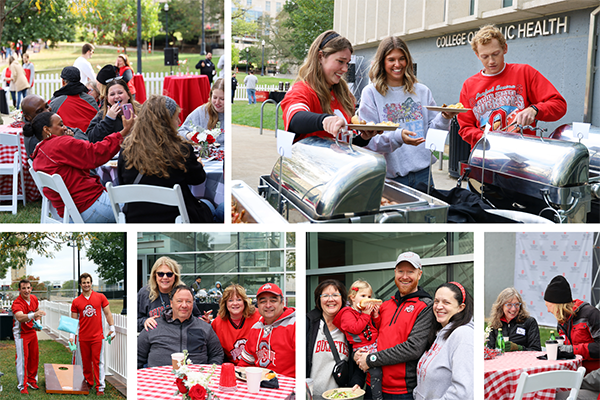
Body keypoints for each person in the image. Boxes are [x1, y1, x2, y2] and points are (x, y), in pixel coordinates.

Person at [358, 36, 458, 189]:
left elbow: (434, 134)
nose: (397, 64)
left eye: (402, 58)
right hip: (389, 177)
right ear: (382, 62)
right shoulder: (371, 93)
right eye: (391, 59)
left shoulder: (422, 91)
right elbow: (369, 141)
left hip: (424, 174)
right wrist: (398, 137)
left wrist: (444, 117)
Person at [458, 24, 567, 147]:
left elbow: (559, 105)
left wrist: (534, 110)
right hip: (486, 155)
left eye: (496, 54)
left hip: (522, 153)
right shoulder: (469, 85)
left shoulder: (525, 72)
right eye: (485, 57)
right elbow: (465, 127)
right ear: (477, 55)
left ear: (505, 49)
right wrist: (485, 138)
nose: (491, 61)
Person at [117, 95, 214, 223]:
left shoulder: (126, 150)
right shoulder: (181, 150)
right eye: (176, 117)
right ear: (166, 122)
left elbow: (123, 183)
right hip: (176, 218)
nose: (179, 121)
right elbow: (197, 179)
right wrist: (198, 166)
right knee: (211, 206)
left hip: (135, 219)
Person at [26, 111, 133, 223]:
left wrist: (71, 140)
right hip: (91, 207)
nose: (65, 127)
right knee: (139, 206)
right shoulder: (60, 143)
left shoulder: (40, 151)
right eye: (60, 125)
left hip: (70, 213)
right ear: (47, 130)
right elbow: (95, 153)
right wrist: (123, 132)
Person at [355, 251, 434, 400]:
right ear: (395, 273)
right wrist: (359, 354)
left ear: (419, 274)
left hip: (402, 392)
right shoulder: (384, 305)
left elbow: (413, 348)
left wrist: (371, 359)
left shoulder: (425, 306)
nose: (405, 276)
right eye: (400, 271)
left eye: (410, 271)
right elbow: (371, 336)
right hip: (372, 384)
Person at [280, 30, 376, 145]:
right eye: (340, 61)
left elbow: (347, 142)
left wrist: (364, 137)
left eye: (347, 63)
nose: (345, 69)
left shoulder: (345, 95)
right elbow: (295, 119)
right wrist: (325, 120)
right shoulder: (302, 90)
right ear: (320, 57)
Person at [137, 285, 224, 368]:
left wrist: (209, 373)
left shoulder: (204, 328)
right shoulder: (154, 326)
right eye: (179, 301)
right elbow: (137, 356)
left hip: (195, 379)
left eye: (188, 301)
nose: (184, 305)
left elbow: (217, 354)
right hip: (158, 379)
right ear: (171, 303)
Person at [413, 282, 474, 400]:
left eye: (446, 302)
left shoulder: (463, 335)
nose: (439, 306)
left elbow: (463, 393)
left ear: (460, 308)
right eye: (436, 301)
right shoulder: (439, 332)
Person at [333, 280, 383, 400]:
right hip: (362, 348)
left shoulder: (365, 312)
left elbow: (377, 327)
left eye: (369, 296)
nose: (367, 298)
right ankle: (377, 397)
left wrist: (375, 316)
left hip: (375, 344)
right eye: (363, 296)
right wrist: (366, 314)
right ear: (353, 297)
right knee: (376, 372)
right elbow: (355, 329)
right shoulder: (347, 313)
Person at [307, 280, 355, 400]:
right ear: (319, 299)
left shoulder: (352, 326)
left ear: (342, 299)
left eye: (335, 295)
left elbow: (357, 365)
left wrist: (355, 384)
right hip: (312, 396)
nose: (330, 299)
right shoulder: (308, 325)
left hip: (340, 396)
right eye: (325, 295)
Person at [69, 273, 116, 396]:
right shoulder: (76, 302)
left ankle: (100, 386)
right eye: (84, 282)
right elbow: (73, 321)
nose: (86, 284)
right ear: (80, 284)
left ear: (91, 283)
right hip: (83, 337)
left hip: (97, 337)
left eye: (88, 282)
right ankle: (88, 382)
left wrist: (112, 328)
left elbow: (108, 314)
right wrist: (71, 336)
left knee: (98, 361)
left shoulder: (100, 297)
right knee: (85, 362)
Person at [544, 275, 600, 373]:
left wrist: (571, 350)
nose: (548, 310)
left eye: (549, 306)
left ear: (558, 305)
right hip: (574, 371)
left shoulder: (591, 314)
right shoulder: (562, 320)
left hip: (592, 375)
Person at [238, 283, 296, 377]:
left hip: (288, 386)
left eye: (273, 301)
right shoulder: (255, 328)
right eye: (263, 301)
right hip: (260, 385)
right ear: (258, 305)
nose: (268, 305)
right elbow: (244, 364)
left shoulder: (295, 325)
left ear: (282, 303)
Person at [137, 256, 201, 333]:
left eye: (169, 274)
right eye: (160, 274)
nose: (165, 277)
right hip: (155, 339)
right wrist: (144, 321)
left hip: (180, 338)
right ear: (155, 275)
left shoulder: (183, 292)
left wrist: (203, 320)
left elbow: (197, 316)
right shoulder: (144, 293)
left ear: (175, 276)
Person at [21, 94, 89, 158]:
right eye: (40, 111)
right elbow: (68, 156)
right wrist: (70, 139)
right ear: (28, 117)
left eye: (47, 106)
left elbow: (79, 132)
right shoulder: (35, 140)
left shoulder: (49, 124)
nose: (47, 111)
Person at [211, 284, 261, 365]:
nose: (235, 303)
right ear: (225, 303)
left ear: (245, 301)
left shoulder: (258, 316)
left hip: (256, 368)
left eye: (238, 299)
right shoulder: (217, 323)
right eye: (230, 300)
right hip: (232, 368)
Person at [12, 279, 45, 394]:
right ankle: (22, 385)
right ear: (19, 290)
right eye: (23, 288)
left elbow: (37, 312)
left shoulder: (34, 298)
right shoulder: (17, 303)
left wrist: (38, 323)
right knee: (22, 359)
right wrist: (34, 315)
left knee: (34, 357)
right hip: (21, 334)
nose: (26, 290)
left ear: (31, 288)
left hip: (31, 332)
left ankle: (32, 380)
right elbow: (20, 317)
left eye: (28, 288)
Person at [486, 287, 541, 352]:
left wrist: (519, 348)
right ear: (501, 306)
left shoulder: (529, 322)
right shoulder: (495, 324)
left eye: (516, 304)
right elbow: (489, 350)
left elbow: (536, 350)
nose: (513, 309)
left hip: (523, 361)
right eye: (509, 305)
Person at [86, 78, 140, 143]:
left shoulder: (141, 111)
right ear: (107, 99)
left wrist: (139, 124)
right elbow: (91, 138)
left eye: (120, 93)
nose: (116, 96)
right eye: (112, 94)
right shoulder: (103, 114)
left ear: (128, 95)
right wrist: (108, 119)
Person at [49, 66, 99, 132]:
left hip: (66, 140)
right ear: (79, 81)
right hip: (89, 139)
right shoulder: (90, 100)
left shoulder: (55, 103)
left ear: (63, 82)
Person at [178, 78, 224, 146]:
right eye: (214, 98)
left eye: (222, 99)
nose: (217, 102)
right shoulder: (201, 112)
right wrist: (188, 135)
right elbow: (180, 132)